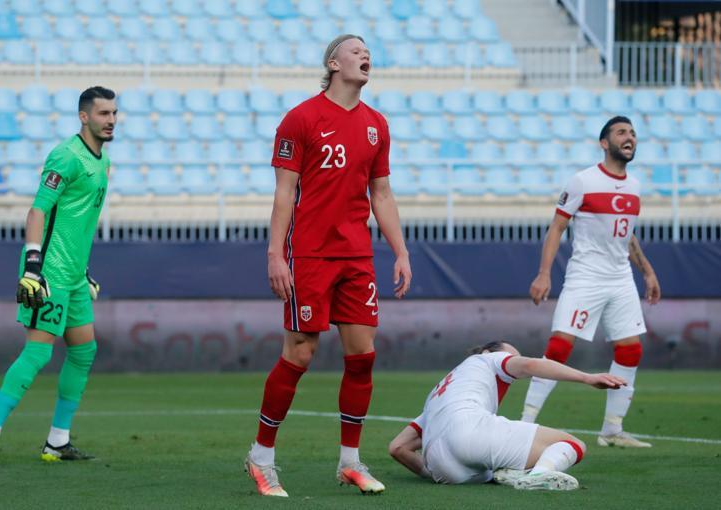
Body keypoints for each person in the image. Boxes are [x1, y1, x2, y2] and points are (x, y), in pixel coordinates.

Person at [244, 34, 412, 497]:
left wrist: (400, 250)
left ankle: (350, 462)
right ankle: (261, 458)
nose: (366, 55)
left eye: (368, 52)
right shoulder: (301, 118)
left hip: (357, 256)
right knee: (299, 353)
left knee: (363, 357)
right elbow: (285, 193)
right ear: (333, 62)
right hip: (310, 255)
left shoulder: (377, 124)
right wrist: (276, 253)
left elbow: (381, 193)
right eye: (356, 50)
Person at [0, 86, 117, 469]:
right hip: (48, 274)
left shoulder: (102, 161)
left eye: (114, 113)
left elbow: (75, 223)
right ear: (84, 116)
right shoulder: (66, 157)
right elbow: (37, 212)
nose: (111, 120)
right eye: (103, 114)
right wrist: (33, 267)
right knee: (37, 353)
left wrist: (83, 271)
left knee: (84, 351)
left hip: (73, 277)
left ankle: (57, 442)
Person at [520, 116, 661, 448]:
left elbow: (626, 236)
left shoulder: (635, 186)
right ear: (604, 143)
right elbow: (556, 227)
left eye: (633, 133)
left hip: (621, 278)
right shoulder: (582, 181)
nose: (630, 138)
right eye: (621, 133)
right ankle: (524, 423)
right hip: (585, 276)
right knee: (559, 348)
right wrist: (544, 273)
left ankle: (612, 429)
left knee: (630, 349)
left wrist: (648, 272)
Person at [388, 341, 626, 490]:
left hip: (442, 467)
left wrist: (433, 472)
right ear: (487, 351)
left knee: (495, 470)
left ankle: (517, 474)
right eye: (511, 355)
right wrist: (587, 378)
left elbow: (398, 448)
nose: (513, 360)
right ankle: (539, 476)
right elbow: (531, 365)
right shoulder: (487, 358)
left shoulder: (440, 391)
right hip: (469, 433)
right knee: (573, 444)